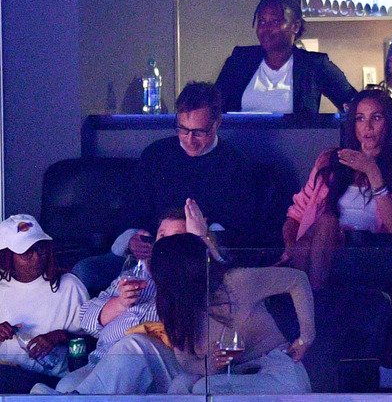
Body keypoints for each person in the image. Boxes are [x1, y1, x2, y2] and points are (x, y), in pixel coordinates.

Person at [71, 82, 257, 294]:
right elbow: (132, 209)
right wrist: (133, 239)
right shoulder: (156, 155)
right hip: (148, 256)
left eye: (199, 133)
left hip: (197, 261)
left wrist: (202, 238)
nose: (189, 140)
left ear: (216, 124)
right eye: (183, 129)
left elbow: (238, 232)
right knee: (84, 272)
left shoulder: (235, 165)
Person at [37, 202, 211, 395]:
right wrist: (119, 304)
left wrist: (200, 243)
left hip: (160, 364)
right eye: (162, 236)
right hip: (102, 362)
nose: (166, 244)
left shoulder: (196, 276)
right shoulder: (136, 274)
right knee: (65, 386)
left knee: (132, 344)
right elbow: (85, 319)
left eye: (176, 237)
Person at [282, 88, 392, 291]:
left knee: (327, 222)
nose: (368, 127)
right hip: (320, 248)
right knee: (325, 224)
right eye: (360, 119)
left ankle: (310, 302)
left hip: (370, 255)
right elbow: (295, 215)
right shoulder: (330, 159)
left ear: (388, 122)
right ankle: (314, 299)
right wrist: (291, 249)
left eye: (377, 118)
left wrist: (372, 172)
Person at [151, 233, 314, 394]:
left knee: (206, 388)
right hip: (231, 375)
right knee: (180, 386)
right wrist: (215, 363)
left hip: (276, 371)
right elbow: (187, 363)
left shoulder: (234, 282)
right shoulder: (176, 309)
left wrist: (305, 338)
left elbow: (297, 280)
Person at [215, 0, 357, 114]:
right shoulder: (239, 60)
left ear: (295, 26)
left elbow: (354, 104)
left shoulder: (315, 65)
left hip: (297, 146)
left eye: (275, 21)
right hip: (239, 146)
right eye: (262, 21)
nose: (266, 28)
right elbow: (212, 106)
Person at [0, 215, 89, 393]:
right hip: (8, 376)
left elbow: (97, 344)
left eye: (40, 248)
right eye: (26, 253)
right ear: (8, 257)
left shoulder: (69, 286)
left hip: (55, 383)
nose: (37, 257)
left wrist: (61, 336)